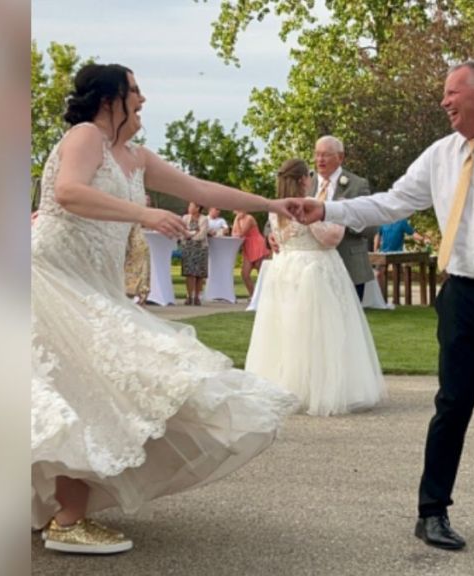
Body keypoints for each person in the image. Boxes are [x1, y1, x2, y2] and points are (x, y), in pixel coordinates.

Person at [297, 59, 474, 554]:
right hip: (461, 298)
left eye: (452, 92)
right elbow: (390, 204)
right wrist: (328, 208)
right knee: (450, 407)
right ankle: (431, 513)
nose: (444, 101)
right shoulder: (439, 156)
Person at [31, 63, 299, 555]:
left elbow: (200, 191)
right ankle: (66, 520)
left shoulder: (135, 158)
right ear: (110, 97)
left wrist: (271, 204)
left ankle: (51, 512)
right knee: (75, 389)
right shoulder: (86, 135)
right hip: (48, 278)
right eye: (135, 90)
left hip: (91, 285)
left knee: (86, 389)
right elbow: (68, 192)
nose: (144, 99)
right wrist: (143, 212)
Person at [246, 159, 386, 416]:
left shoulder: (275, 208)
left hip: (285, 269)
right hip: (313, 270)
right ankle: (317, 389)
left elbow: (279, 234)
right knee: (321, 331)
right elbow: (331, 238)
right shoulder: (301, 208)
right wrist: (327, 215)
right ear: (303, 181)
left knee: (288, 331)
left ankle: (290, 384)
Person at [310, 136, 377, 300]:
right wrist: (270, 234)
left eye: (325, 155)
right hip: (310, 269)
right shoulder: (304, 182)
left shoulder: (357, 185)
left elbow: (371, 227)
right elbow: (282, 211)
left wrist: (345, 218)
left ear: (340, 157)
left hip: (348, 267)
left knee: (348, 323)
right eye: (317, 154)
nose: (319, 159)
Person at [231, 209, 271, 298]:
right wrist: (237, 220)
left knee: (260, 269)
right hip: (247, 246)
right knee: (244, 273)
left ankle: (265, 294)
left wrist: (237, 220)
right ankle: (253, 295)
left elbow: (241, 233)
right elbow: (233, 233)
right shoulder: (237, 219)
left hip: (256, 244)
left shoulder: (249, 218)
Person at [180, 202, 209, 305]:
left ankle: (197, 297)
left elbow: (202, 234)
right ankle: (189, 296)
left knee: (199, 274)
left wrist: (189, 236)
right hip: (188, 248)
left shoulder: (204, 219)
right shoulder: (185, 218)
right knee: (189, 273)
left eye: (191, 206)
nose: (189, 208)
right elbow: (182, 231)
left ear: (197, 208)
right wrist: (191, 234)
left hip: (200, 249)